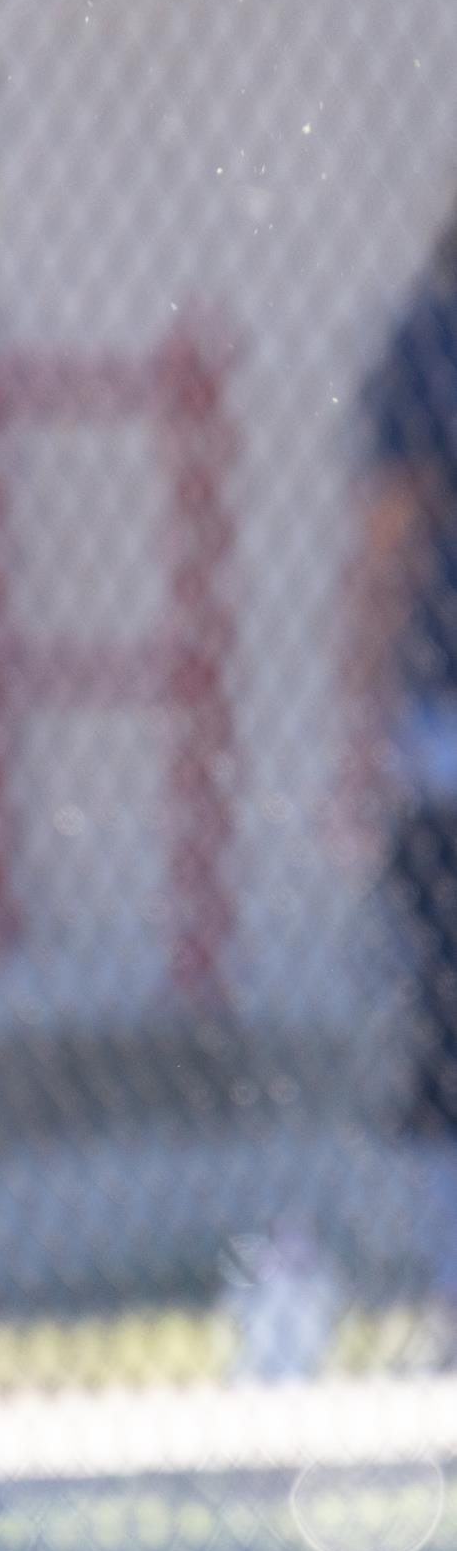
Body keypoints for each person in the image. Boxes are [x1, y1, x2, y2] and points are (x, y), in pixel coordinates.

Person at [351, 190, 457, 1365]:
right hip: (444, 728)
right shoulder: (429, 339)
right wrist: (361, 742)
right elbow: (384, 546)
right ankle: (449, 1293)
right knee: (445, 1016)